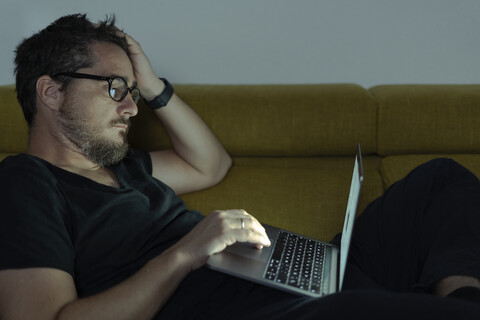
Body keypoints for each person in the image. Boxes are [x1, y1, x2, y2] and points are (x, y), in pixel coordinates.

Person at [0, 14, 479, 320]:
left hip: (286, 282)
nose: (131, 108)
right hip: (268, 311)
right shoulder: (27, 184)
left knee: (439, 181)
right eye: (114, 89)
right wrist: (188, 251)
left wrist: (150, 83)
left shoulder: (124, 166)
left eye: (132, 92)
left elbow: (210, 164)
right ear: (51, 91)